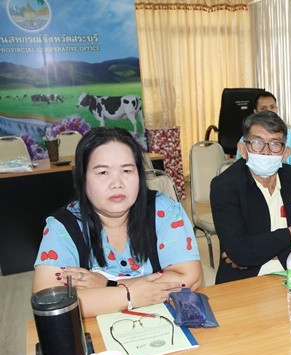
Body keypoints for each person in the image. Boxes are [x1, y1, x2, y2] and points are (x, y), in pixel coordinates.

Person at [32, 127, 203, 318]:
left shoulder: (163, 210)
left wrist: (107, 285)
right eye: (103, 172)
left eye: (127, 170)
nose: (117, 183)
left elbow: (188, 278)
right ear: (82, 178)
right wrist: (130, 295)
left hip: (162, 321)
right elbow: (51, 303)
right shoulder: (62, 227)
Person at [211, 110, 291, 283]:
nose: (266, 152)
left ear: (285, 153)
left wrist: (274, 254)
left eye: (275, 144)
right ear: (243, 149)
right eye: (257, 143)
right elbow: (241, 252)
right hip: (246, 280)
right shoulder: (225, 185)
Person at [235, 90, 291, 164]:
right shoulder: (246, 138)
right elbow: (241, 165)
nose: (269, 111)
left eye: (272, 107)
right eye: (263, 108)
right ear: (255, 112)